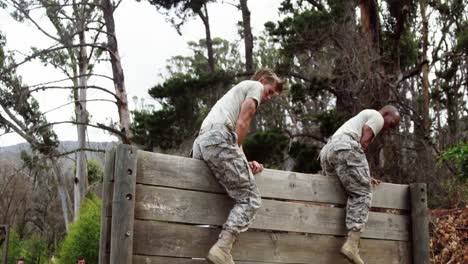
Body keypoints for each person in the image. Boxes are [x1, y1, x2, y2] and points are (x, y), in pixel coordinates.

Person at [192, 68, 284, 264]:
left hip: (202, 143)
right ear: (262, 81)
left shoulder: (229, 103)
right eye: (269, 92)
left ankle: (199, 250)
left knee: (214, 197)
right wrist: (240, 161)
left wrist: (245, 163)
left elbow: (234, 143)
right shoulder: (255, 86)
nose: (267, 97)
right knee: (250, 198)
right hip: (218, 140)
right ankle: (222, 248)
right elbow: (243, 123)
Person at [319, 106, 400, 264]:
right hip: (345, 147)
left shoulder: (360, 117)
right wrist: (363, 175)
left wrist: (364, 175)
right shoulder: (377, 116)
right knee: (363, 193)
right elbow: (363, 143)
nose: (390, 128)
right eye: (392, 123)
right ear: (386, 114)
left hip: (328, 151)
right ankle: (352, 245)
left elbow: (350, 161)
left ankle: (328, 237)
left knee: (342, 195)